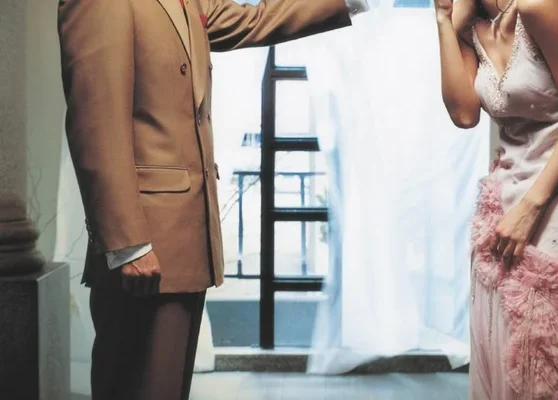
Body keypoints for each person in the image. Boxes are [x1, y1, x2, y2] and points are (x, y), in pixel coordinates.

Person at [57, 0, 367, 399]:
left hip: (187, 243)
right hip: (143, 246)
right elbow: (93, 121)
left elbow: (257, 19)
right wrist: (128, 244)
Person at [435, 0, 558, 398]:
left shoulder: (538, 7)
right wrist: (442, 19)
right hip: (505, 189)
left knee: (543, 348)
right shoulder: (470, 24)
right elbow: (464, 115)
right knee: (499, 337)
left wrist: (531, 207)